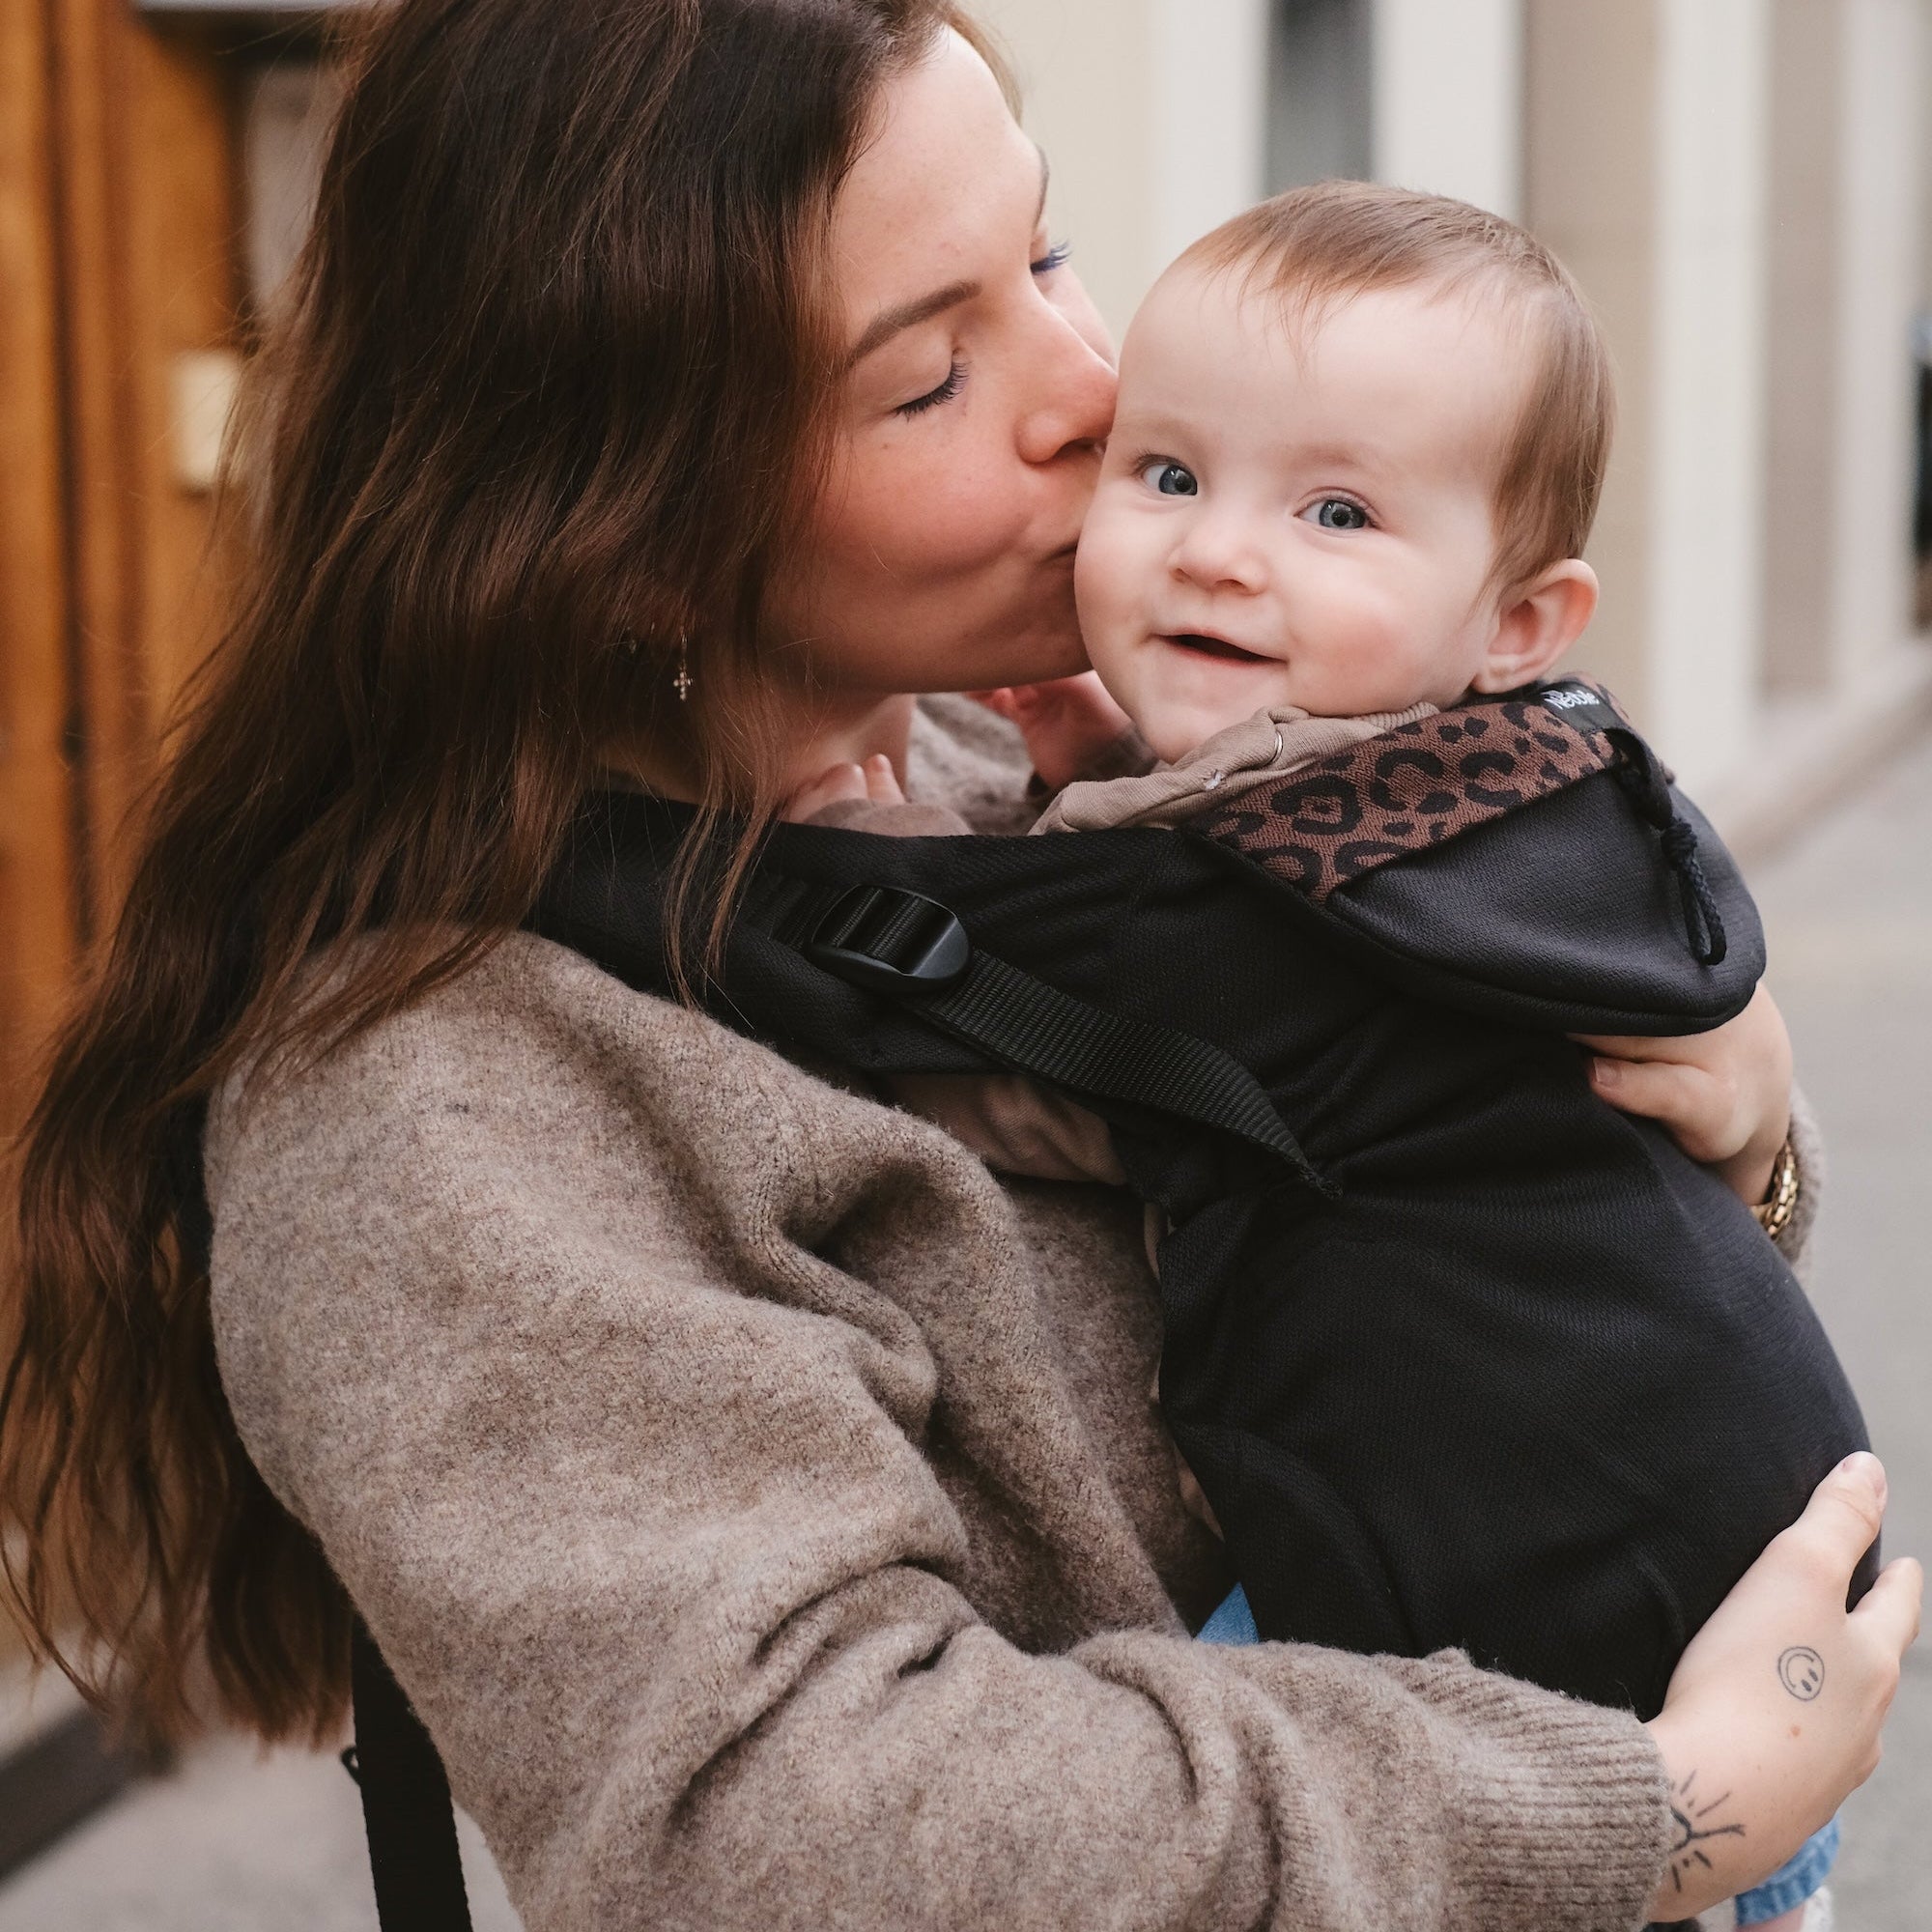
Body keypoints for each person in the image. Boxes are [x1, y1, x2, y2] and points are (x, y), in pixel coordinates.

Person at [0, 4, 1916, 1929]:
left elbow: (1464, 1220)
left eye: (1050, 250)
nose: (1092, 387)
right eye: (930, 376)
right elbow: (793, 1823)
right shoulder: (444, 1106)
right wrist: (1638, 1812)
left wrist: (1733, 1121)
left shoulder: (1030, 746)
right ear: (635, 531)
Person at [791, 180, 1864, 1931]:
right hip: (1712, 1585)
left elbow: (1048, 1069)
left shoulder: (1245, 897)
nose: (1220, 551)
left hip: (1555, 1700)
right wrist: (1107, 783)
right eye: (1170, 475)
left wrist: (836, 903)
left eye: (1339, 511)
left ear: (1520, 625)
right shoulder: (1516, 803)